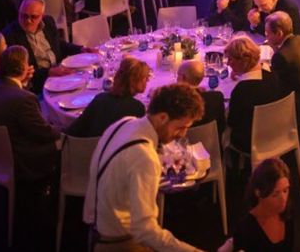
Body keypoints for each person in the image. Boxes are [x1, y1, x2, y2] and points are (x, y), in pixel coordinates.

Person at [83, 83, 208, 252]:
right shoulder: (144, 156)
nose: (183, 134)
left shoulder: (124, 123)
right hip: (120, 243)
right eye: (180, 127)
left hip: (94, 232)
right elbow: (145, 231)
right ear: (163, 117)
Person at [0, 46, 61, 184]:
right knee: (66, 140)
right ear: (23, 66)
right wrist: (63, 128)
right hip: (21, 159)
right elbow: (45, 134)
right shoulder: (24, 99)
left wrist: (23, 83)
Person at [1, 0, 87, 93]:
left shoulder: (48, 22)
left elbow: (59, 44)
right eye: (24, 16)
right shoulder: (9, 36)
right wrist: (48, 72)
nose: (28, 21)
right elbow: (18, 73)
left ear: (42, 16)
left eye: (33, 17)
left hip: (60, 75)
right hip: (38, 83)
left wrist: (81, 49)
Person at [224, 35, 283, 155]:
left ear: (242, 60)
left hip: (251, 142)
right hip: (278, 132)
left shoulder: (242, 89)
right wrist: (241, 73)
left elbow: (232, 122)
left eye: (230, 59)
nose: (228, 63)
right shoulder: (273, 76)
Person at [265, 11, 300, 128]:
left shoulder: (281, 56)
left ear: (279, 33)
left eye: (268, 33)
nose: (266, 36)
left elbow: (276, 86)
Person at [67, 57, 150, 138]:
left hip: (85, 149)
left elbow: (72, 131)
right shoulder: (137, 108)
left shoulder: (100, 98)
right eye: (145, 77)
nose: (148, 80)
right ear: (134, 80)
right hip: (112, 151)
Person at [234, 158, 294, 252]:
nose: (283, 199)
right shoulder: (246, 229)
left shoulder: (288, 213)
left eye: (285, 190)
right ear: (258, 193)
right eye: (275, 194)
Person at [175, 59, 226, 130]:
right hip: (213, 139)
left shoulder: (176, 102)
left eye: (178, 75)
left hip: (184, 140)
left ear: (182, 77)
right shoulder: (216, 97)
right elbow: (222, 125)